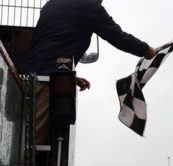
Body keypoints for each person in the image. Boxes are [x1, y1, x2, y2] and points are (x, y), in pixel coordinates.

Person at [24, 0, 156, 143]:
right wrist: (146, 50)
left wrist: (70, 77)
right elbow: (118, 37)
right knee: (28, 144)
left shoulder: (52, 4)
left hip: (26, 75)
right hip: (44, 82)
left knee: (19, 132)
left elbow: (52, 41)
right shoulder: (89, 7)